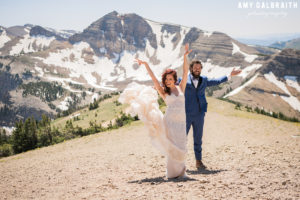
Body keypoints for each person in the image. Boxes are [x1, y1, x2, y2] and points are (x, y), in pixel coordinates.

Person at [121, 44, 192, 179]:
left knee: (182, 145)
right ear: (164, 81)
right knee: (172, 147)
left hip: (181, 122)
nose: (169, 81)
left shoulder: (181, 87)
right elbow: (154, 78)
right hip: (170, 122)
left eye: (171, 79)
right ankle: (172, 174)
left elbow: (186, 71)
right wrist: (146, 64)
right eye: (166, 79)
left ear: (175, 79)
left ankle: (182, 172)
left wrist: (185, 57)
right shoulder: (163, 92)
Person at [182, 59, 241, 169]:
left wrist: (230, 75)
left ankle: (198, 161)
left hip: (200, 113)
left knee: (198, 138)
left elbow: (217, 81)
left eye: (199, 68)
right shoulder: (184, 79)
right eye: (195, 67)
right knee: (181, 138)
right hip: (186, 114)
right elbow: (171, 84)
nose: (197, 69)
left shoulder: (204, 80)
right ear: (191, 69)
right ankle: (179, 162)